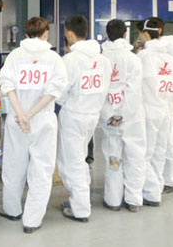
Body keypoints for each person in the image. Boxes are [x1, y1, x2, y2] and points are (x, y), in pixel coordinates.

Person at [0, 17, 67, 233]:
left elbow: (6, 86)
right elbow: (54, 91)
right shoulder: (54, 59)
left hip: (16, 120)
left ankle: (12, 209)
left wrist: (21, 114)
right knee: (42, 170)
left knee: (13, 165)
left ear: (26, 34)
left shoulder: (15, 56)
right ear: (46, 34)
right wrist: (30, 114)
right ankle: (32, 220)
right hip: (42, 120)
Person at [57, 15, 111, 222]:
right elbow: (105, 88)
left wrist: (68, 102)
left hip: (73, 116)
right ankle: (79, 198)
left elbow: (60, 91)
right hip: (92, 116)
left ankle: (80, 209)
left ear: (70, 33)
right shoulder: (103, 60)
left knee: (70, 162)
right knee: (79, 159)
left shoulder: (70, 60)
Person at [137, 18, 173, 206]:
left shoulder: (168, 51)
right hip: (163, 101)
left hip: (160, 102)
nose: (140, 36)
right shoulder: (156, 52)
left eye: (141, 33)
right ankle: (159, 183)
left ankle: (164, 181)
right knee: (161, 144)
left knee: (162, 144)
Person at [100, 19, 147, 212]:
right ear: (125, 34)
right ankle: (134, 200)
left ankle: (113, 200)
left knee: (113, 157)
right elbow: (133, 91)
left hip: (110, 119)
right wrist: (123, 115)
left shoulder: (101, 60)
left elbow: (100, 92)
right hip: (132, 117)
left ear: (107, 35)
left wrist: (111, 115)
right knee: (135, 157)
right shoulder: (133, 59)